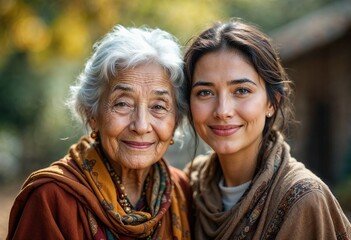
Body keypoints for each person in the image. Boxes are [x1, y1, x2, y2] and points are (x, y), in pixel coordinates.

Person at [7, 25, 191, 239]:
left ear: (176, 121)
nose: (141, 126)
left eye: (158, 106)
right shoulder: (51, 199)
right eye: (122, 104)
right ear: (91, 114)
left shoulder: (183, 191)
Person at [182, 19, 351, 239]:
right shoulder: (189, 187)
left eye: (241, 90)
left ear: (272, 103)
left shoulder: (304, 199)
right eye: (205, 92)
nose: (222, 111)